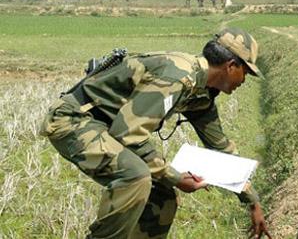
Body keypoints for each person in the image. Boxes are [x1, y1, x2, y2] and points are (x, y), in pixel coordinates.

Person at [40, 27, 272, 239]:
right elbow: (128, 134)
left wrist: (253, 202)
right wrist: (175, 176)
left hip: (108, 127)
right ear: (231, 66)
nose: (244, 81)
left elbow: (221, 148)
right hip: (76, 119)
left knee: (162, 196)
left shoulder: (202, 94)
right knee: (136, 175)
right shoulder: (177, 76)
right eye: (245, 73)